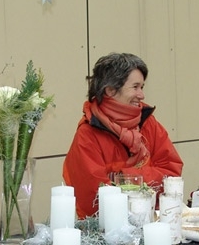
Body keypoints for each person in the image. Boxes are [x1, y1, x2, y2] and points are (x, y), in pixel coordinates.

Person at [62, 52, 184, 218]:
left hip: (155, 222)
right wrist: (144, 181)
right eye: (135, 87)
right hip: (107, 230)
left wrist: (125, 177)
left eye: (142, 87)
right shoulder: (87, 135)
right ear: (111, 90)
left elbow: (172, 176)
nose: (141, 95)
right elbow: (93, 200)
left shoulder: (148, 123)